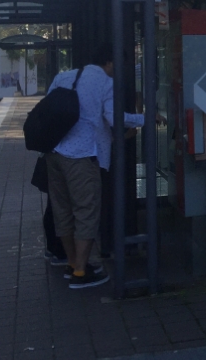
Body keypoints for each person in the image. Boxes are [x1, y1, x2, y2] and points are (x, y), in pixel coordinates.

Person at [46, 43, 143, 289]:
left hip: (54, 153)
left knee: (63, 211)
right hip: (82, 155)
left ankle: (72, 264)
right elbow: (114, 118)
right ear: (109, 62)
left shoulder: (64, 76)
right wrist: (144, 118)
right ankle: (81, 272)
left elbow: (47, 109)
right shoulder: (104, 82)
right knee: (86, 211)